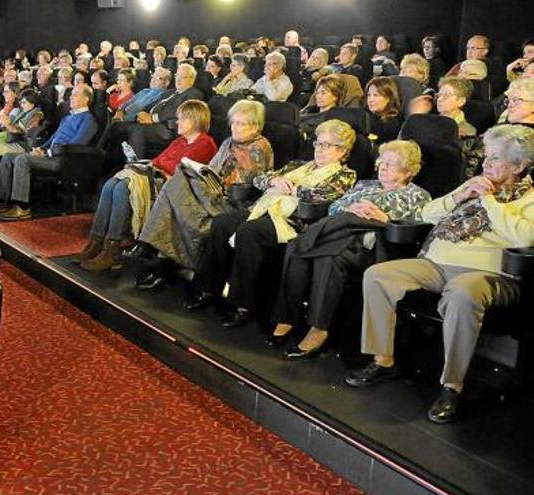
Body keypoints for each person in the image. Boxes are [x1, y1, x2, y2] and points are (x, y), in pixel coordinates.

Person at [345, 125, 534, 424]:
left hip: (489, 274)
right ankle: (383, 360)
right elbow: (426, 213)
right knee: (378, 275)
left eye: (495, 159)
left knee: (461, 292)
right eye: (485, 158)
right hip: (437, 262)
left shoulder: (528, 198)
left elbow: (524, 235)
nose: (486, 165)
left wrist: (491, 202)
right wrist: (460, 195)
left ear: (520, 165)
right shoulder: (475, 187)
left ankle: (451, 386)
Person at [269, 140, 431, 359]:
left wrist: (385, 219)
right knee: (313, 249)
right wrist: (349, 208)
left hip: (372, 244)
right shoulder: (365, 185)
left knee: (319, 252)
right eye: (382, 162)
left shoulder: (418, 195)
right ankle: (288, 317)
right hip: (340, 236)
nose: (382, 167)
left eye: (391, 164)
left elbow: (412, 228)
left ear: (408, 170)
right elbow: (334, 206)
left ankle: (319, 329)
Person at [188, 120, 358, 325]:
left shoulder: (345, 175)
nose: (319, 149)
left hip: (294, 221)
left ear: (342, 151)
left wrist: (293, 189)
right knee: (222, 223)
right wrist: (273, 181)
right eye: (318, 144)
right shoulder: (298, 165)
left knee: (249, 231)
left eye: (326, 145)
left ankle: (243, 304)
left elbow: (323, 195)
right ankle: (208, 288)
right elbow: (259, 178)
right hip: (265, 210)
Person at [130, 100, 274, 288]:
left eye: (240, 123)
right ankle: (161, 263)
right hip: (212, 191)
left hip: (233, 201)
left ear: (255, 126)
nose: (234, 128)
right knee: (180, 176)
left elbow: (248, 184)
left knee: (174, 192)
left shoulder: (259, 147)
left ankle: (151, 251)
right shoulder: (228, 142)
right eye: (233, 122)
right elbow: (211, 168)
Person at [74, 100, 218, 271]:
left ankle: (112, 250)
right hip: (156, 176)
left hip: (172, 188)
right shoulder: (180, 141)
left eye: (181, 119)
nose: (177, 122)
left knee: (122, 188)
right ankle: (96, 242)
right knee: (111, 184)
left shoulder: (205, 144)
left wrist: (155, 167)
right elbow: (157, 161)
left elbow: (178, 170)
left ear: (194, 120)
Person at [0, 84, 99, 220]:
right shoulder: (68, 117)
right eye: (72, 94)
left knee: (22, 160)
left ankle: (22, 208)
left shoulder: (88, 120)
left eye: (75, 94)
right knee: (9, 157)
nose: (71, 97)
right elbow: (53, 138)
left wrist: (48, 152)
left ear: (86, 99)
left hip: (65, 161)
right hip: (51, 155)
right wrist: (41, 148)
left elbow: (76, 145)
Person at [365, 77, 403, 145]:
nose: (370, 100)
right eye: (369, 95)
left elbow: (377, 138)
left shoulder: (392, 122)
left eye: (376, 95)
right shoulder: (368, 115)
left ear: (388, 98)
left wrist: (365, 134)